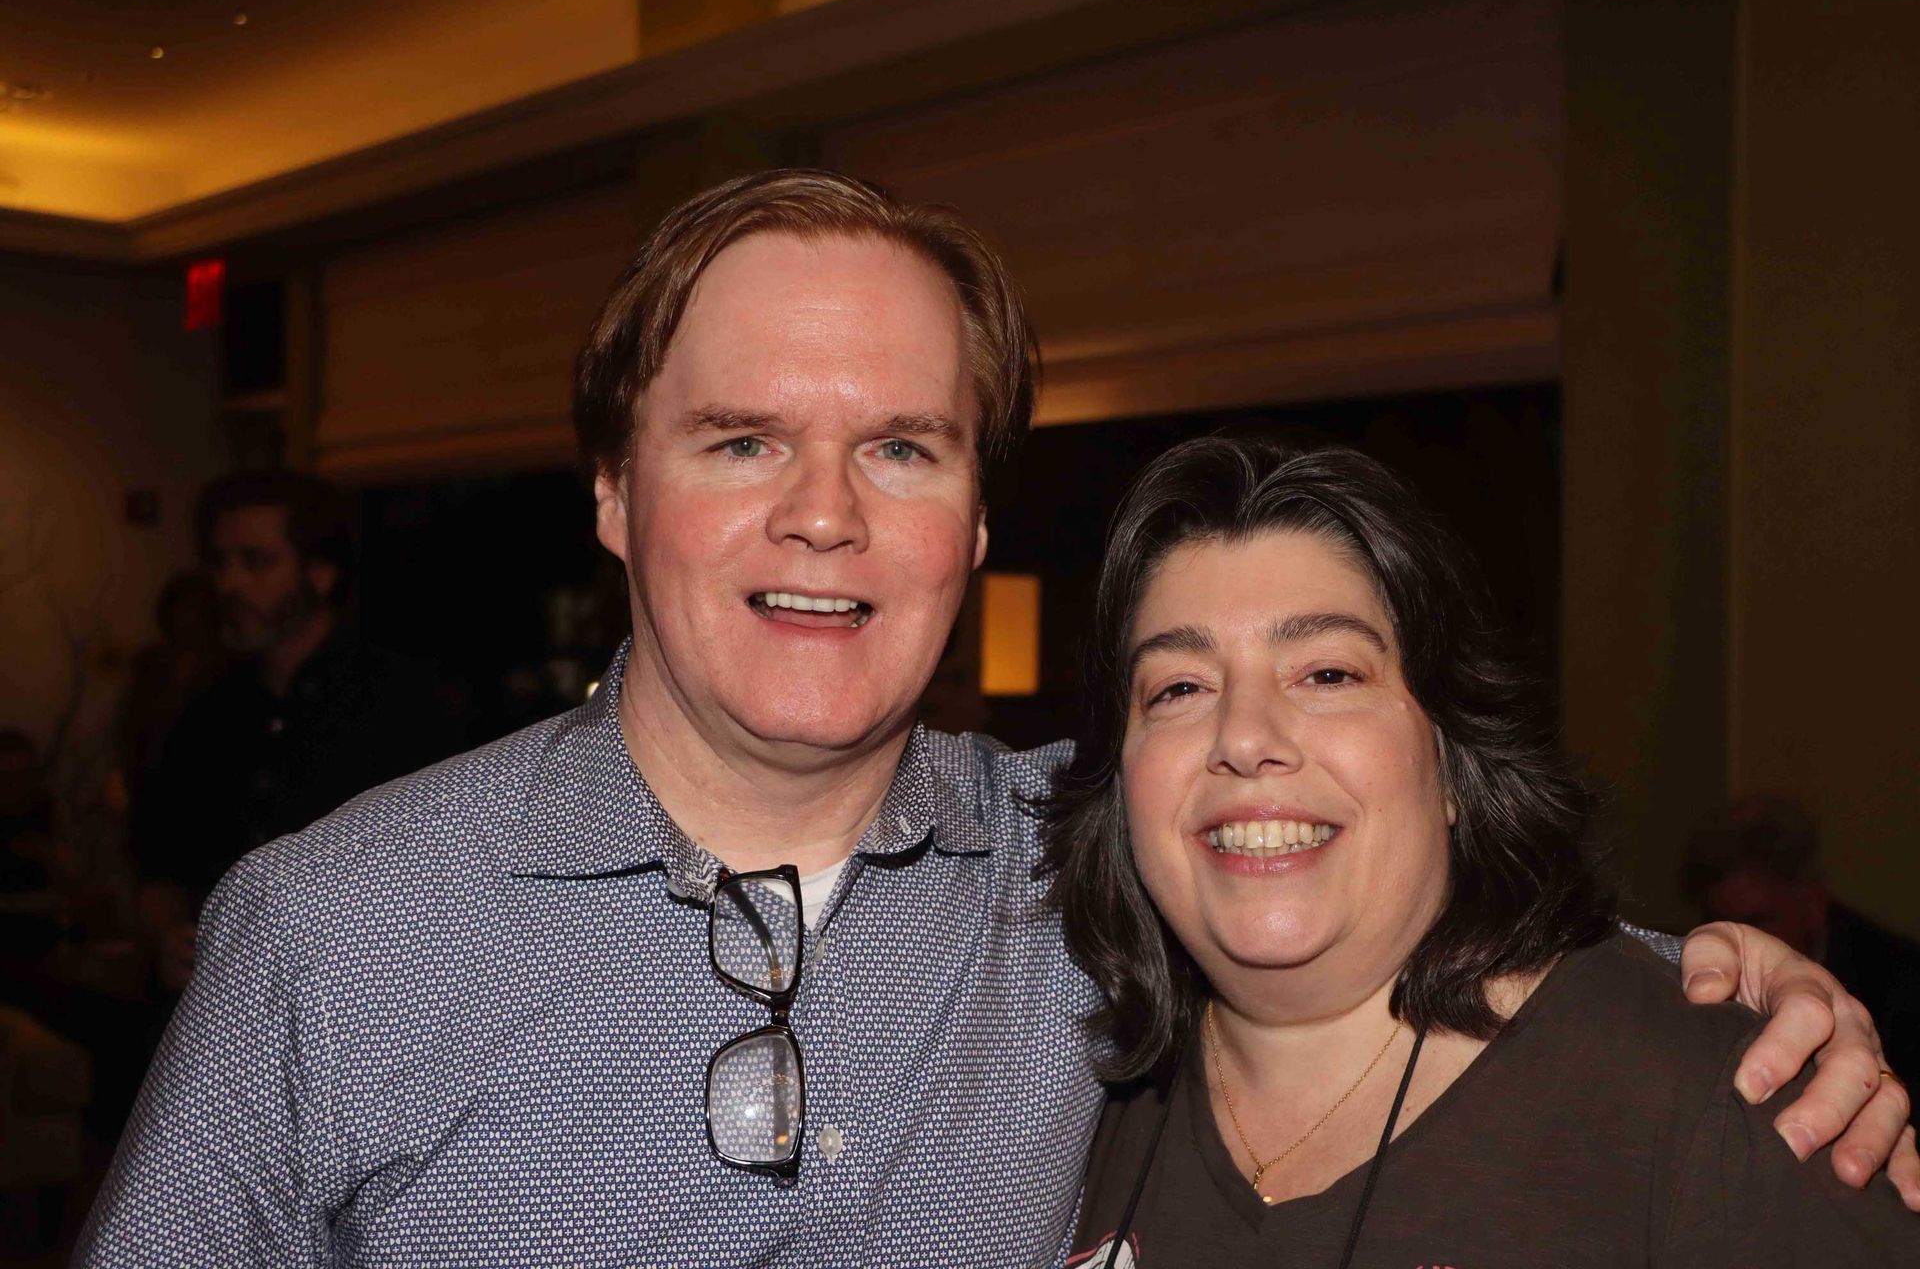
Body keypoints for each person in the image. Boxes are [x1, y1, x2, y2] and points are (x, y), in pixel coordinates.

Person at [78, 171, 1916, 1265]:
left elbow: (1354, 879)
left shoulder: (1087, 856)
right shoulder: (334, 934)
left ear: (966, 522)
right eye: (740, 443)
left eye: (898, 445)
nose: (824, 513)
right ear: (616, 495)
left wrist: (1724, 979)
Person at [1053, 437, 1919, 1266]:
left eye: (1328, 673)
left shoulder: (1716, 1100)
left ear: (1456, 766)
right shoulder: (1057, 1102)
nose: (1244, 737)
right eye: (1179, 688)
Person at [130, 471, 463, 989]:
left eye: (256, 562)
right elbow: (161, 865)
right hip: (218, 1015)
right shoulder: (204, 713)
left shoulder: (403, 705)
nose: (229, 584)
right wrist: (166, 937)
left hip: (359, 1008)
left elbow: (447, 879)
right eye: (219, 563)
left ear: (321, 573)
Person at [1688, 795, 1920, 1081]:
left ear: (1813, 903)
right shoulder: (1696, 969)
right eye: (1717, 921)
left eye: (1757, 921)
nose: (1738, 939)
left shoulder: (1900, 990)